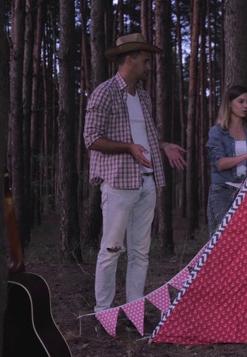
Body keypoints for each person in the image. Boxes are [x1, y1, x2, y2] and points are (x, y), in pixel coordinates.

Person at [83, 33, 187, 317]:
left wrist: (163, 146)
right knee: (112, 249)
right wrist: (128, 147)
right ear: (129, 60)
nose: (149, 66)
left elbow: (146, 136)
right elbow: (91, 138)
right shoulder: (104, 93)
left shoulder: (143, 97)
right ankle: (103, 314)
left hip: (147, 182)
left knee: (141, 252)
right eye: (145, 61)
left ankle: (133, 312)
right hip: (118, 184)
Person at [206, 85, 247, 237]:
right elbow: (219, 164)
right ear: (229, 103)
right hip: (223, 193)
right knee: (222, 240)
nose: (246, 106)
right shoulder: (217, 132)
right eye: (241, 101)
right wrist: (245, 156)